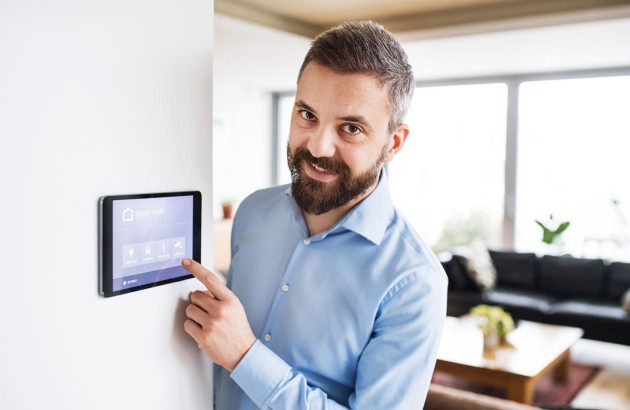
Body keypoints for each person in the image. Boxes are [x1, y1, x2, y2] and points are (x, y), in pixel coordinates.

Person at [182, 20, 448, 409]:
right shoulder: (253, 211)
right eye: (307, 115)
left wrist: (244, 357)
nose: (319, 147)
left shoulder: (415, 283)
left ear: (393, 143)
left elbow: (233, 351)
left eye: (351, 128)